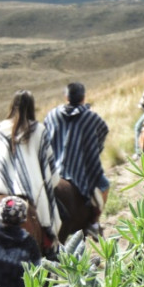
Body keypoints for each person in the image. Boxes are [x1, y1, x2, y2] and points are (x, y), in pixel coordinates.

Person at [0, 90, 60, 242]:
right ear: (31, 107)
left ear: (12, 106)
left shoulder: (0, 129)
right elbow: (49, 167)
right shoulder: (39, 130)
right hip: (32, 190)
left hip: (0, 186)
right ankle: (49, 246)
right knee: (47, 220)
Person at [43, 82, 110, 227]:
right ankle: (94, 221)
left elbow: (44, 138)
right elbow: (103, 130)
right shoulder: (90, 117)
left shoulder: (52, 115)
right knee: (105, 184)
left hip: (53, 169)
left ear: (66, 97)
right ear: (83, 97)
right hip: (80, 171)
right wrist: (93, 151)